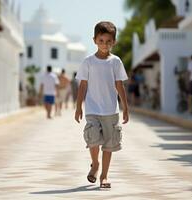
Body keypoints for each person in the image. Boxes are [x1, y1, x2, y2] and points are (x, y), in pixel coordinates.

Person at [75, 21, 129, 189]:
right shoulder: (88, 62)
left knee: (109, 144)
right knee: (92, 139)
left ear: (114, 42)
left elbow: (119, 85)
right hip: (92, 109)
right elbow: (83, 85)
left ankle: (104, 176)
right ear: (94, 40)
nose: (105, 45)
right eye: (101, 41)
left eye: (108, 41)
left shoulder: (116, 62)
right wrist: (78, 107)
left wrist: (125, 107)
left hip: (111, 110)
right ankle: (95, 164)